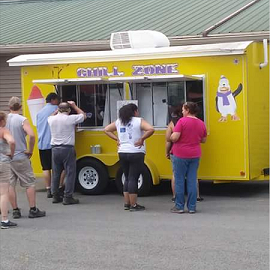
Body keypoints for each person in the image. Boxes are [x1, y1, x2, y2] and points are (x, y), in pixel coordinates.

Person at [104, 103, 154, 211]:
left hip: (122, 151)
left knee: (126, 177)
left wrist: (116, 139)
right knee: (133, 178)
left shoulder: (119, 121)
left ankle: (126, 203)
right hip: (136, 152)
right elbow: (151, 129)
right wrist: (142, 139)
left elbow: (106, 129)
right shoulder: (138, 120)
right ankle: (134, 205)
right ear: (134, 111)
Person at [6, 97, 46, 219]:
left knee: (10, 184)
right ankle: (33, 209)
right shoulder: (22, 120)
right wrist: (30, 150)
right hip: (20, 156)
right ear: (21, 106)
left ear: (9, 107)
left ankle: (15, 210)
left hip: (6, 157)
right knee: (29, 183)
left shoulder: (4, 119)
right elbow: (32, 135)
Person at [170, 102, 207, 214]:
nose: (182, 112)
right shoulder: (201, 123)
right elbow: (204, 140)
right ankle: (192, 207)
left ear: (187, 110)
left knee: (180, 180)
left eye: (183, 110)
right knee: (192, 180)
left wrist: (171, 136)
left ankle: (179, 206)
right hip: (195, 154)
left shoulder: (182, 121)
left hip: (180, 154)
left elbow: (175, 137)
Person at [48, 101, 86, 205]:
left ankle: (55, 195)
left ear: (58, 110)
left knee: (56, 173)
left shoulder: (51, 119)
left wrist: (57, 110)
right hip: (67, 148)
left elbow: (50, 116)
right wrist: (74, 106)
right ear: (68, 110)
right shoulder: (70, 118)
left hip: (55, 148)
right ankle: (68, 197)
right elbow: (83, 115)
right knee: (70, 173)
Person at [36, 92, 65, 198]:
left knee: (46, 168)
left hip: (42, 144)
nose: (59, 102)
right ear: (53, 100)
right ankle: (59, 187)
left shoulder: (39, 113)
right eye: (58, 100)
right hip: (54, 143)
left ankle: (48, 189)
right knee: (60, 167)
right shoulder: (56, 110)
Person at [0, 112, 17, 229]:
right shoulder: (4, 130)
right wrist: (11, 153)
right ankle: (4, 219)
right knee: (3, 192)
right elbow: (12, 141)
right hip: (2, 162)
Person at [165, 105, 182, 202]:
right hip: (192, 152)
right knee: (192, 175)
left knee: (175, 174)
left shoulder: (172, 123)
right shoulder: (193, 121)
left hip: (176, 151)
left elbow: (168, 140)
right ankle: (196, 196)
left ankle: (175, 195)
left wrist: (167, 152)